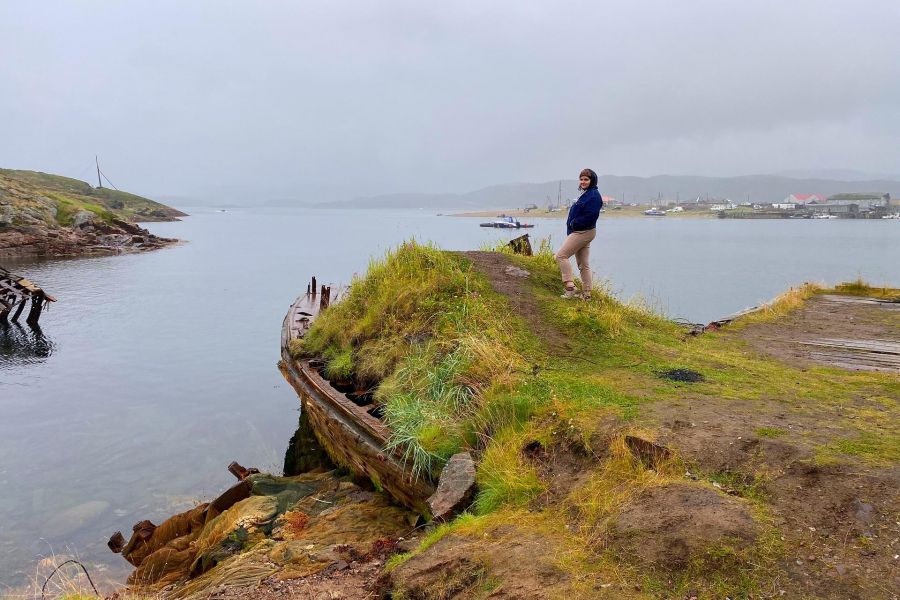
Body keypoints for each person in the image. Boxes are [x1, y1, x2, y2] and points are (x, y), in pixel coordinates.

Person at [555, 168, 603, 300]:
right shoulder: (587, 193)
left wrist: (574, 223)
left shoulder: (593, 196)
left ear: (592, 180)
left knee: (561, 256)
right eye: (581, 179)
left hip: (583, 232)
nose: (583, 181)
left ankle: (570, 287)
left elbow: (592, 216)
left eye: (586, 179)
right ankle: (586, 295)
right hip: (583, 231)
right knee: (583, 264)